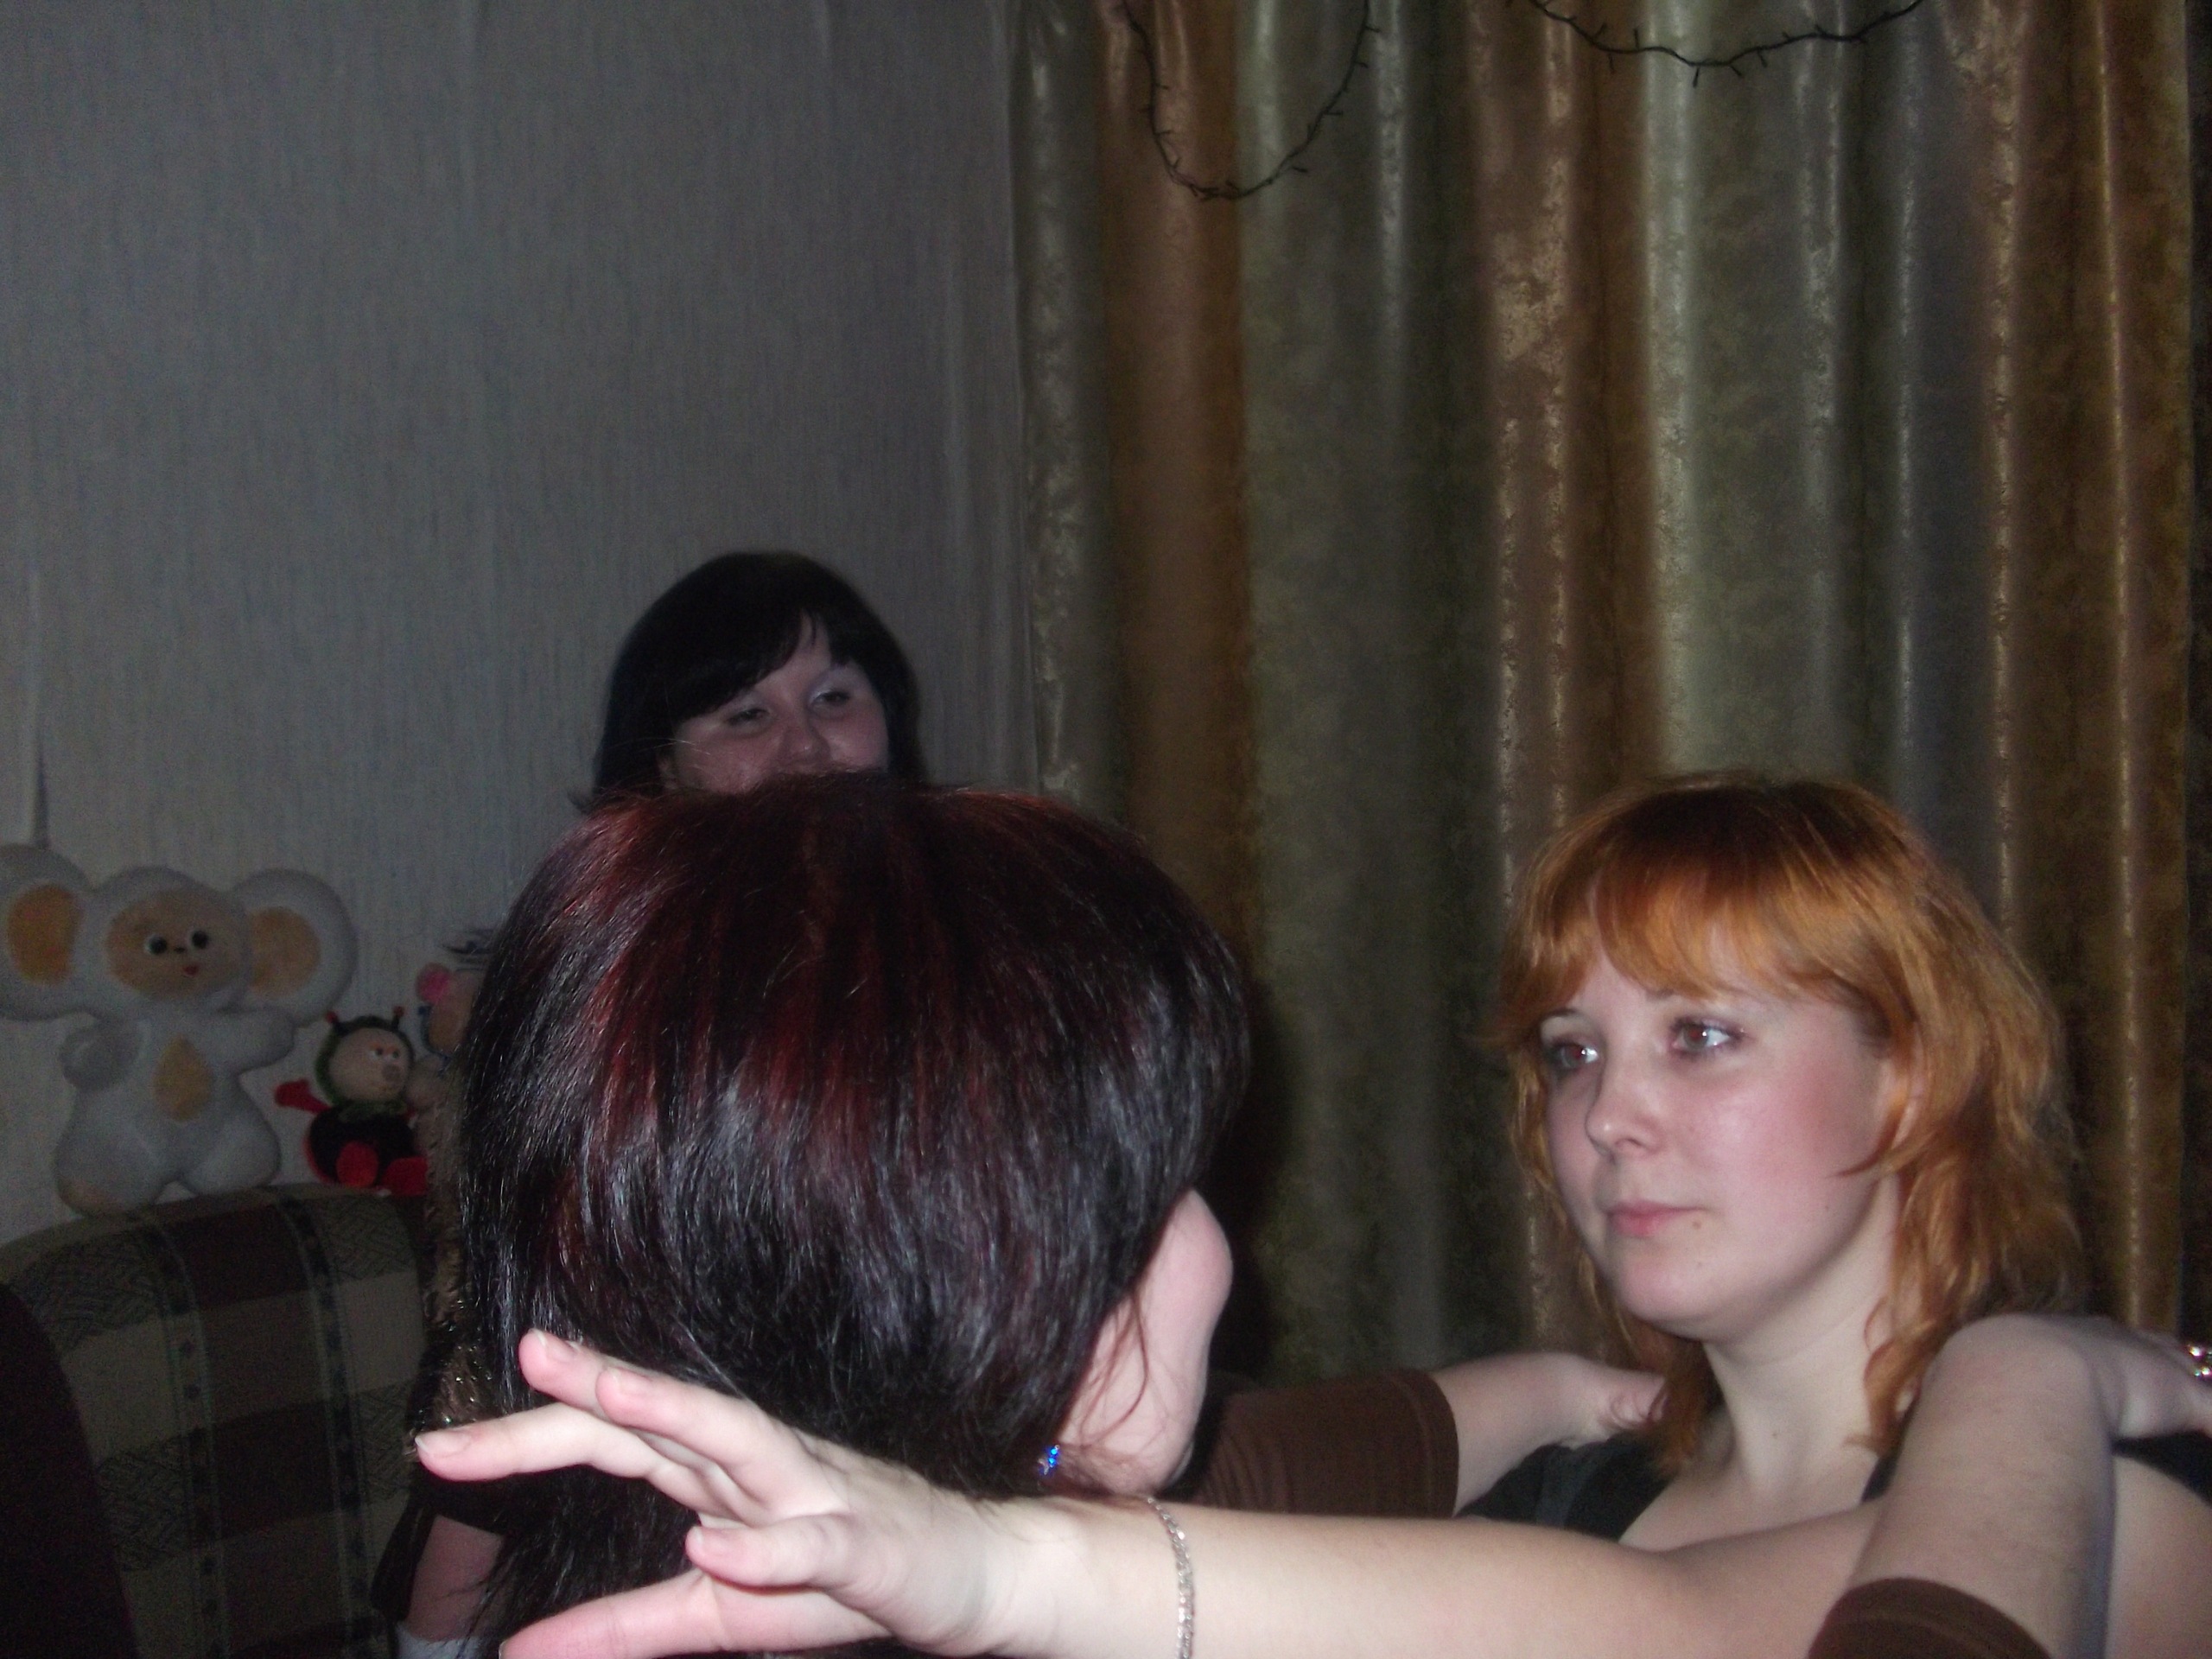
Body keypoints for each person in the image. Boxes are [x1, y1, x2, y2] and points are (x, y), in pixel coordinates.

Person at [419, 774, 2212, 1659]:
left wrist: (2013, 1376)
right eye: (1571, 1051)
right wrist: (1546, 1393)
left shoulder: (2101, 1513)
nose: (1608, 1114)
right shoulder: (1560, 1500)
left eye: (1702, 1035)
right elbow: (1161, 1478)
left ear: (1913, 1075)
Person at [385, 550, 925, 1656]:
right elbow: (512, 1306)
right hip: (625, 1424)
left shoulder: (955, 935)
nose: (805, 744)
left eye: (834, 696)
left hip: (899, 1439)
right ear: (666, 761)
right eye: (745, 715)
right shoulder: (601, 956)